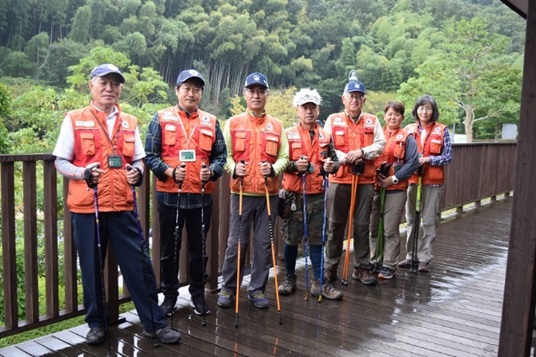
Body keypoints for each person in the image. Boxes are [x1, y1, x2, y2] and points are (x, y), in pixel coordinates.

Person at [53, 64, 180, 345]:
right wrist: (82, 173)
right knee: (91, 267)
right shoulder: (74, 119)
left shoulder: (130, 122)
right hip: (88, 208)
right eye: (104, 83)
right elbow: (60, 160)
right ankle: (97, 324)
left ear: (121, 88)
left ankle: (154, 324)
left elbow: (138, 159)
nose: (109, 88)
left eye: (115, 84)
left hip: (123, 205)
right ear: (91, 86)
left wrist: (138, 172)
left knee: (139, 265)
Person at [144, 69, 227, 317]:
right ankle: (169, 297)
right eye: (187, 88)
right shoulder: (160, 118)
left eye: (197, 89)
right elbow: (150, 155)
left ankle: (198, 296)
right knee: (169, 249)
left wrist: (211, 171)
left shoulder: (211, 121)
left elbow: (221, 156)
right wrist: (169, 172)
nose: (192, 93)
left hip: (201, 196)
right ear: (177, 90)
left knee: (199, 250)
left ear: (201, 93)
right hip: (170, 195)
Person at [217, 72, 289, 309]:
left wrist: (274, 168)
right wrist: (233, 167)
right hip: (241, 194)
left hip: (268, 196)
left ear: (267, 95)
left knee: (263, 246)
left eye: (261, 91)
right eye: (252, 91)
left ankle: (257, 290)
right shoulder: (233, 123)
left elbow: (284, 157)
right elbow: (224, 156)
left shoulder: (277, 125)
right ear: (245, 94)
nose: (256, 95)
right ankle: (228, 288)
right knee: (235, 244)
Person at [277, 88, 343, 300]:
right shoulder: (287, 134)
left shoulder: (326, 135)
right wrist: (295, 166)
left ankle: (319, 282)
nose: (309, 111)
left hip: (318, 195)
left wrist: (332, 166)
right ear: (297, 110)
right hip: (294, 196)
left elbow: (335, 161)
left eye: (312, 107)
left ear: (318, 109)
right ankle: (289, 278)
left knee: (317, 240)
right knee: (291, 240)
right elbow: (279, 163)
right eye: (305, 107)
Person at [322, 72, 385, 286]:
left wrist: (361, 152)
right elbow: (326, 146)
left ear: (364, 99)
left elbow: (380, 145)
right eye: (351, 95)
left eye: (359, 96)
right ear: (344, 99)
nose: (355, 100)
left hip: (364, 180)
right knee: (335, 225)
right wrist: (345, 157)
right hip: (339, 179)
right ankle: (330, 266)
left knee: (361, 225)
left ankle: (361, 268)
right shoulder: (332, 120)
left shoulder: (372, 120)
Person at [399, 95, 452, 272]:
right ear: (416, 110)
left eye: (428, 108)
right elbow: (401, 154)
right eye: (421, 108)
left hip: (432, 182)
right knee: (411, 219)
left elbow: (447, 157)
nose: (424, 112)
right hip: (413, 181)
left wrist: (428, 159)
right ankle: (410, 255)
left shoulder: (442, 130)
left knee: (429, 220)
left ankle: (424, 258)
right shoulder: (408, 129)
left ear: (433, 110)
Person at [368, 101, 419, 279]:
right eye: (389, 114)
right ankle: (375, 259)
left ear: (402, 118)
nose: (392, 117)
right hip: (374, 187)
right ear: (384, 116)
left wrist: (393, 179)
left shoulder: (407, 137)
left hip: (395, 188)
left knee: (390, 228)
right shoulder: (377, 135)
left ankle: (389, 264)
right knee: (373, 227)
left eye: (397, 114)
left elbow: (413, 162)